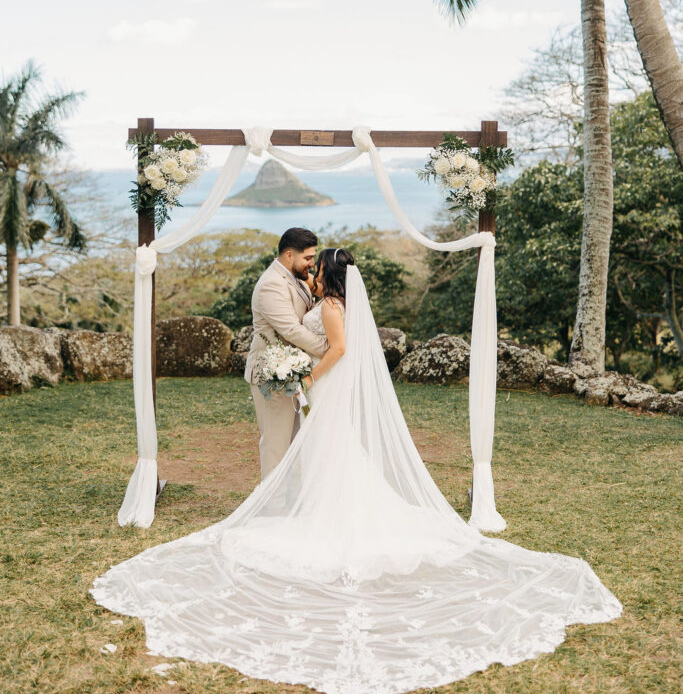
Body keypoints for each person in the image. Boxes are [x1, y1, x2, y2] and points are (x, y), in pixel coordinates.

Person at [91, 250, 622, 694]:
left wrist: (306, 381)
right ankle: (324, 508)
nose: (312, 273)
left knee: (331, 451)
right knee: (333, 453)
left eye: (317, 268)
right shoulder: (332, 301)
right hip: (326, 387)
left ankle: (326, 515)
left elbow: (338, 349)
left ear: (327, 275)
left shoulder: (332, 305)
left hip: (323, 384)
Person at [245, 227, 328, 478]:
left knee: (296, 442)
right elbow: (291, 330)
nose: (312, 265)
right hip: (273, 373)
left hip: (295, 371)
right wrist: (329, 349)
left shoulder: (296, 278)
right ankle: (273, 508)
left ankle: (292, 502)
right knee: (275, 443)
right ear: (289, 255)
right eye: (308, 258)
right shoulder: (271, 284)